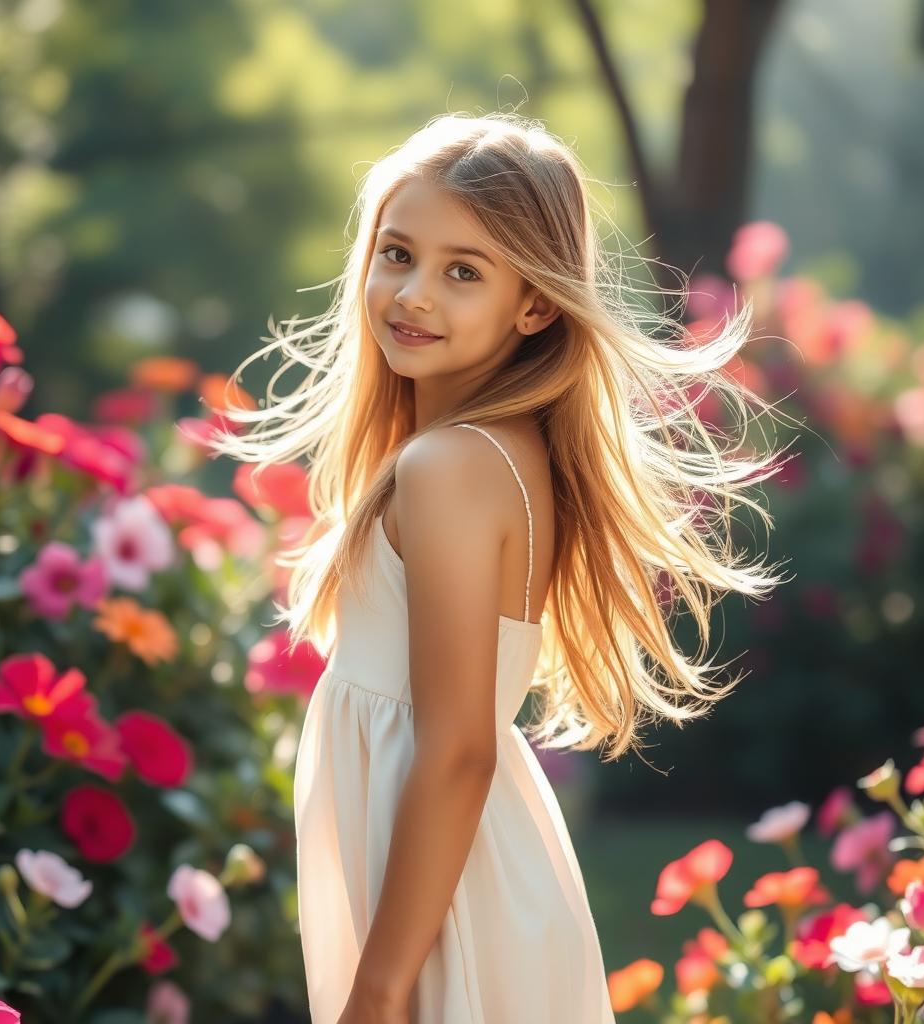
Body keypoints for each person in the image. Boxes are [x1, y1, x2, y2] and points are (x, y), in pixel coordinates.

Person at [207, 111, 791, 1024]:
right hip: (458, 872)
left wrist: (382, 989)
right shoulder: (494, 453)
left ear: (536, 304)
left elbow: (459, 748)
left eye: (463, 272)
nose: (414, 295)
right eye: (396, 254)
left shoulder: (450, 467)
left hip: (442, 902)